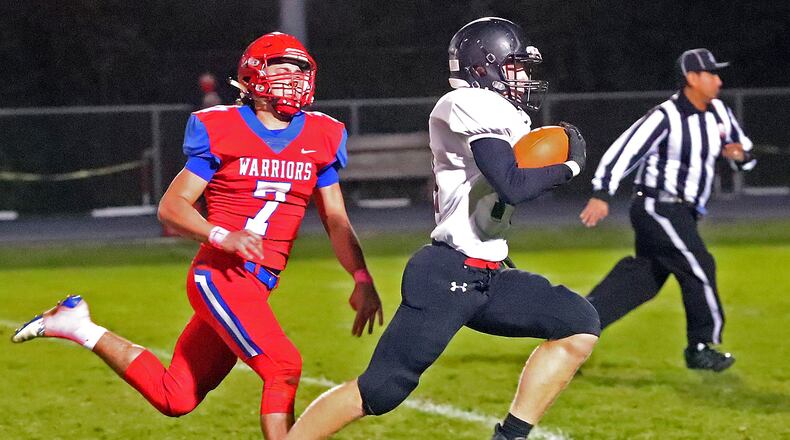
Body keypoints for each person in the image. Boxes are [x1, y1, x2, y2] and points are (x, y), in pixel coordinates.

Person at [11, 32, 384, 439]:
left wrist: (361, 277)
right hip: (220, 276)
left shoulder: (322, 135)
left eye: (300, 69)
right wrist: (223, 236)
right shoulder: (222, 127)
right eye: (282, 67)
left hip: (259, 284)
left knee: (177, 396)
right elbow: (172, 208)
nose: (293, 77)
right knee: (284, 366)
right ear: (253, 75)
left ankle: (77, 325)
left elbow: (336, 218)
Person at [284, 17, 599, 440]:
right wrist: (570, 166)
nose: (523, 77)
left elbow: (495, 198)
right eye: (515, 66)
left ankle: (510, 435)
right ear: (484, 66)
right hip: (447, 274)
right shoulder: (468, 103)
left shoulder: (502, 112)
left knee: (578, 323)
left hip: (489, 273)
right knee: (379, 390)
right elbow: (512, 184)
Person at [580, 48, 756, 372]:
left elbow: (744, 151)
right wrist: (602, 192)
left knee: (641, 282)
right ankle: (701, 346)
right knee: (699, 264)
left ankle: (574, 329)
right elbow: (625, 149)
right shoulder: (666, 116)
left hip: (685, 212)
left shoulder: (720, 112)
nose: (719, 80)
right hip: (657, 206)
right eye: (712, 73)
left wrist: (740, 155)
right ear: (692, 78)